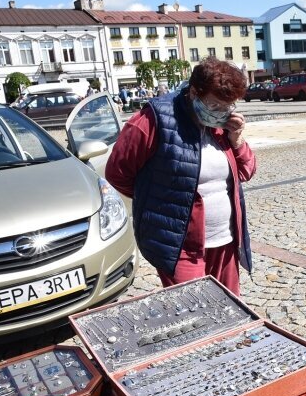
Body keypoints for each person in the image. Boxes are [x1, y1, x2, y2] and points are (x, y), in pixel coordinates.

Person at [105, 57, 256, 295]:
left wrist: (237, 140)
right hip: (179, 245)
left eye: (229, 106)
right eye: (216, 106)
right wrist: (159, 199)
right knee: (194, 311)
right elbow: (117, 173)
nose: (222, 112)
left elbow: (246, 172)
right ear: (195, 92)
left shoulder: (223, 125)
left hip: (225, 240)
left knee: (229, 309)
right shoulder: (154, 119)